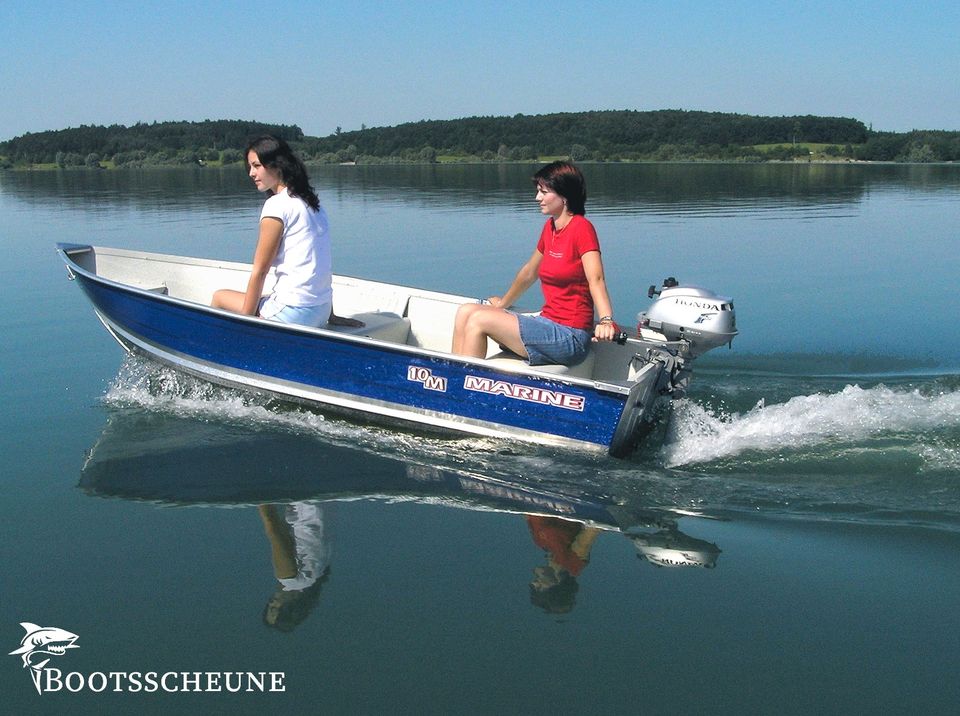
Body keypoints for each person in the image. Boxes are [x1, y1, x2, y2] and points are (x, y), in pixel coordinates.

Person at [451, 161, 617, 365]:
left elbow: (596, 279)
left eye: (543, 192)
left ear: (563, 195)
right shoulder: (550, 228)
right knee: (466, 311)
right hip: (546, 323)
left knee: (479, 320)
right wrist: (502, 304)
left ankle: (464, 385)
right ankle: (451, 378)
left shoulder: (582, 228)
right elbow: (530, 272)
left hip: (570, 336)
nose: (537, 198)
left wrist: (606, 320)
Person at [212, 135, 361, 328]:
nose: (251, 173)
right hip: (321, 309)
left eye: (256, 166)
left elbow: (260, 270)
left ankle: (216, 347)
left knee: (219, 297)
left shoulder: (276, 206)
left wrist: (246, 323)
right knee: (264, 298)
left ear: (277, 165)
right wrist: (331, 317)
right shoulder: (312, 204)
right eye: (250, 167)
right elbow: (320, 263)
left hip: (294, 314)